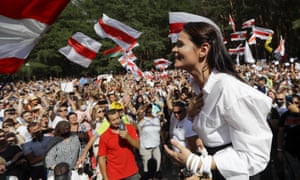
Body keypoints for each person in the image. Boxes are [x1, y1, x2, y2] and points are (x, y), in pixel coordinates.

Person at [163, 15, 273, 180]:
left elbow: (256, 156)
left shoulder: (228, 89)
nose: (174, 50)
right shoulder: (199, 90)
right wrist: (191, 116)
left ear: (203, 50)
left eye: (180, 44)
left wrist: (199, 163)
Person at [98, 109, 140, 180]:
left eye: (118, 118)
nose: (117, 121)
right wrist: (105, 177)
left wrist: (127, 137)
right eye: (113, 120)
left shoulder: (129, 128)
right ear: (109, 121)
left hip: (131, 172)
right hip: (114, 175)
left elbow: (138, 146)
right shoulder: (104, 136)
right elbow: (101, 158)